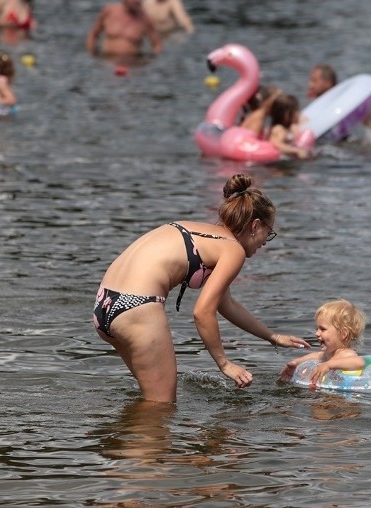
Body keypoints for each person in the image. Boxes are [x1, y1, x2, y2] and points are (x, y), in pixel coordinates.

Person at [93, 173, 310, 403]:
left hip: (105, 305)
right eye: (269, 233)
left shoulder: (205, 235)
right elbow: (202, 312)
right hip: (138, 309)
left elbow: (226, 304)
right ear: (255, 225)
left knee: (150, 403)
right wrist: (224, 364)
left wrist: (272, 336)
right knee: (160, 411)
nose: (266, 241)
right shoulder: (232, 250)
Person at [280, 299, 366, 386]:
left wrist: (328, 365)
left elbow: (359, 362)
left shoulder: (346, 354)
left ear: (343, 334)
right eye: (317, 329)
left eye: (323, 329)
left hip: (342, 397)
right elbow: (316, 355)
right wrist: (296, 362)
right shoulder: (328, 353)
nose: (317, 333)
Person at [86, 0, 162, 57]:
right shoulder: (109, 12)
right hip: (107, 63)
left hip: (132, 64)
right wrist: (92, 55)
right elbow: (93, 34)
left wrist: (149, 62)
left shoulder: (145, 19)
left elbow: (157, 45)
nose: (138, 0)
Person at [307, 63, 371, 130]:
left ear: (327, 83)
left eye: (314, 81)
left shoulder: (343, 104)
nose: (310, 85)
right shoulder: (315, 107)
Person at [239, 90, 310, 159]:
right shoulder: (279, 129)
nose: (298, 114)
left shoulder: (280, 128)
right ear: (287, 115)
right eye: (296, 111)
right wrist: (296, 150)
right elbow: (275, 143)